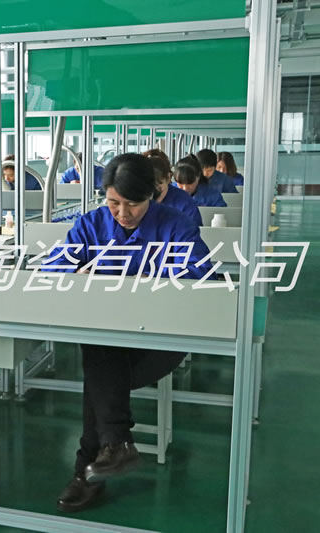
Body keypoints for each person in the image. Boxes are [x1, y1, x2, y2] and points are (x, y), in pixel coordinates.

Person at [43, 154, 213, 513]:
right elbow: (52, 268)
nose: (122, 213)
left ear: (152, 194)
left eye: (133, 204)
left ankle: (103, 456)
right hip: (110, 340)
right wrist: (75, 276)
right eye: (113, 203)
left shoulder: (176, 226)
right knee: (103, 350)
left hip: (162, 340)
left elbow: (201, 279)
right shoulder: (91, 225)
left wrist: (154, 282)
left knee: (100, 369)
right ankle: (106, 453)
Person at [146, 154, 203, 226]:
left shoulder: (185, 203)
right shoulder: (139, 200)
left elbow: (195, 229)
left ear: (168, 178)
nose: (153, 195)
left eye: (158, 187)